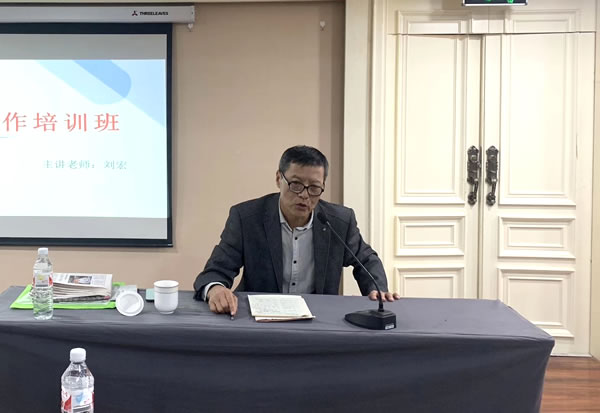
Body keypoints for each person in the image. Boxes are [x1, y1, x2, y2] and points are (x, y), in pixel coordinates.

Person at [193, 145, 400, 316]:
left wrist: (377, 290)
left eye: (314, 188)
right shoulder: (247, 218)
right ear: (278, 179)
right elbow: (216, 270)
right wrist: (215, 288)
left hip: (318, 318)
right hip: (259, 319)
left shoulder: (339, 221)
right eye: (296, 184)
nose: (304, 195)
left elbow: (366, 259)